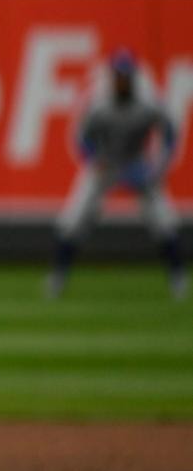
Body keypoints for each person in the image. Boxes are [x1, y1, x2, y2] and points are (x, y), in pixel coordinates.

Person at [48, 47, 186, 299]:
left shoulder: (149, 99)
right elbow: (80, 137)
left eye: (126, 75)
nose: (121, 81)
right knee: (74, 217)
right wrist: (93, 160)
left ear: (133, 76)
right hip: (106, 163)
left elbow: (170, 133)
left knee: (163, 219)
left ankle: (178, 277)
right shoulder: (98, 100)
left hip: (137, 162)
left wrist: (158, 166)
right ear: (111, 76)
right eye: (117, 75)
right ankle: (58, 276)